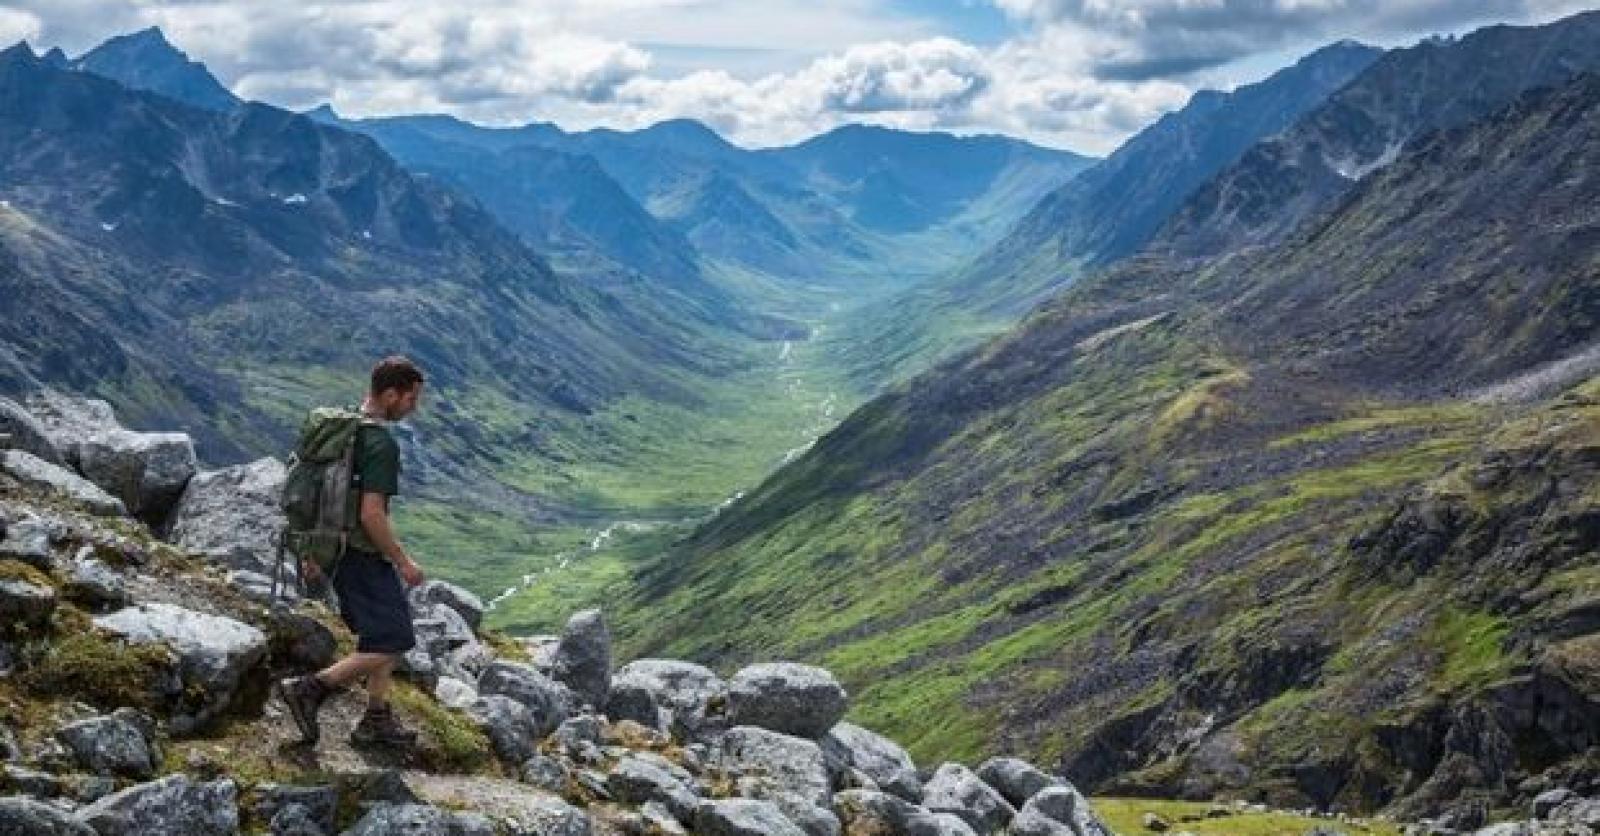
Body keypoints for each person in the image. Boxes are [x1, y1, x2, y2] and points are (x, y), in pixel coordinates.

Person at [274, 355, 428, 748]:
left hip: (332, 548)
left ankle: (376, 718)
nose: (414, 408)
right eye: (411, 399)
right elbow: (372, 514)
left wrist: (313, 548)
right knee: (393, 639)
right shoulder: (379, 444)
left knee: (381, 634)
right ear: (392, 394)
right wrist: (402, 560)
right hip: (359, 554)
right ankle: (310, 689)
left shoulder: (341, 427)